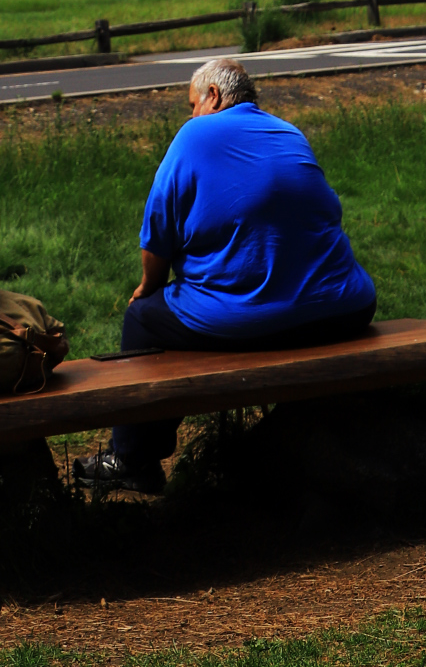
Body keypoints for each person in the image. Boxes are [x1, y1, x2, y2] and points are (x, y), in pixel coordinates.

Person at [75, 54, 375, 497]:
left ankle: (133, 459)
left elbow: (158, 231)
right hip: (342, 307)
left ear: (213, 96)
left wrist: (148, 288)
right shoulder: (288, 131)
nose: (191, 112)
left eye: (192, 103)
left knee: (142, 318)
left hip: (255, 321)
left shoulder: (196, 133)